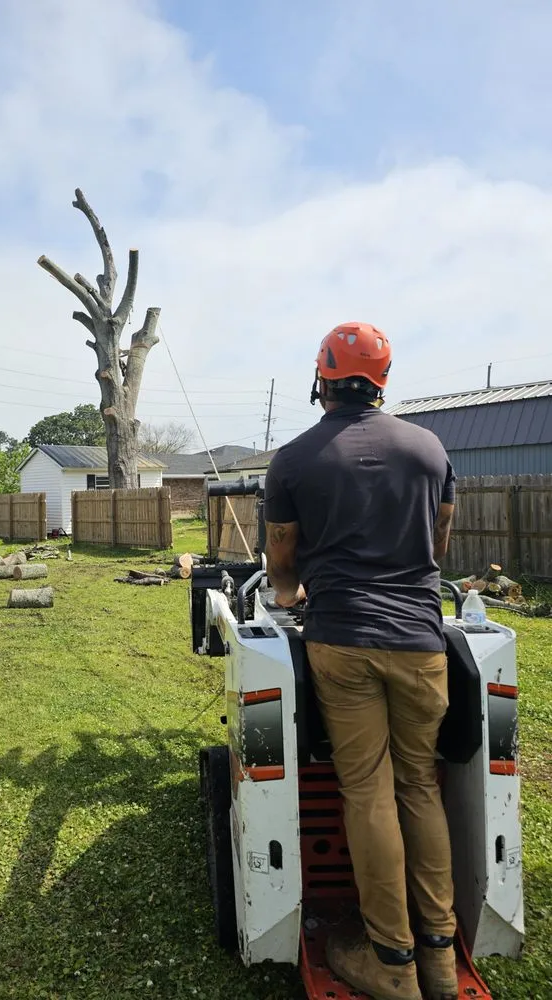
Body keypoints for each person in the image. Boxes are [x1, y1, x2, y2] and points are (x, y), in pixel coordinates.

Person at [263, 322, 458, 1000]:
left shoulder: (293, 458)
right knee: (419, 787)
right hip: (421, 642)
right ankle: (439, 957)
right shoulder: (430, 448)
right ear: (383, 377)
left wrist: (289, 595)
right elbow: (437, 542)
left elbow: (282, 558)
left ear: (322, 375)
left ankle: (392, 963)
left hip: (342, 640)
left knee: (367, 790)